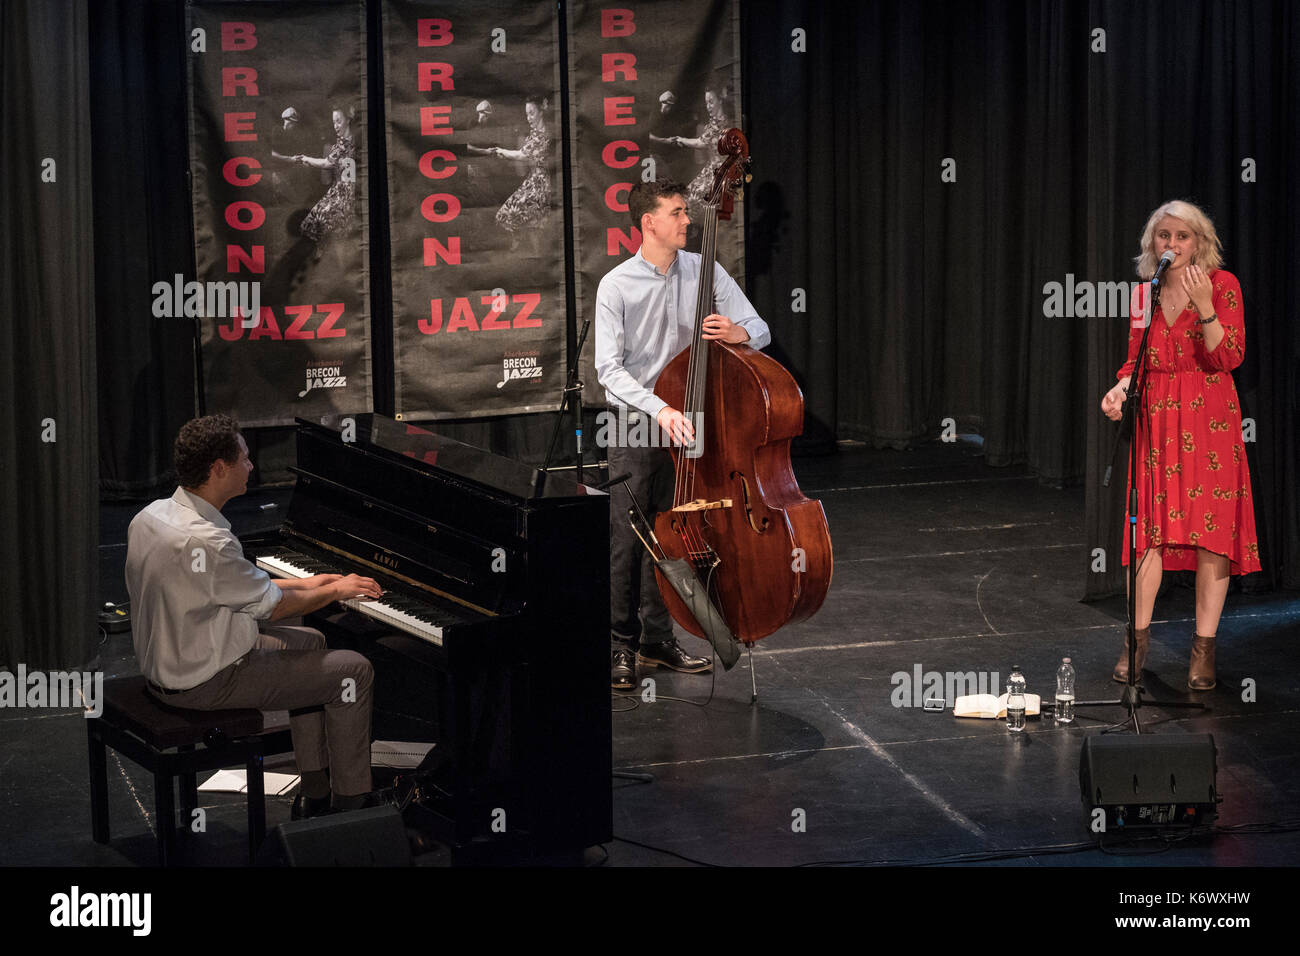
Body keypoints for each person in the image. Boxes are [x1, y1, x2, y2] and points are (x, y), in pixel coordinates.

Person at [125, 415, 386, 817]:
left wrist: (311, 582)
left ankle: (315, 790)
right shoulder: (209, 542)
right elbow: (271, 607)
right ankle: (354, 807)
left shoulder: (152, 517)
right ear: (218, 469)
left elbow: (237, 588)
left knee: (313, 641)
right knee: (354, 671)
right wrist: (336, 590)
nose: (252, 466)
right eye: (244, 459)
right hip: (206, 681)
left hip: (170, 663)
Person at [594, 180, 771, 690]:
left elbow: (758, 327)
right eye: (676, 214)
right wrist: (661, 407)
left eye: (687, 214)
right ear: (648, 223)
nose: (687, 222)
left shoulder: (704, 270)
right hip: (635, 417)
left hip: (691, 418)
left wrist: (742, 334)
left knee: (670, 531)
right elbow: (609, 371)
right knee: (628, 540)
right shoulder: (617, 285)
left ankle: (657, 641)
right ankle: (619, 646)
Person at [1100, 200, 1260, 690]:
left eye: (1182, 236)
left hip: (1209, 420)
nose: (1171, 244)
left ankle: (1203, 649)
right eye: (1163, 235)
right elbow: (1136, 361)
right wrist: (1120, 389)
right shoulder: (1143, 293)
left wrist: (1208, 307)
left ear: (1200, 241)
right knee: (1146, 532)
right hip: (1156, 421)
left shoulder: (1224, 285)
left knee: (1212, 533)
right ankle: (1136, 641)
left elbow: (1229, 356)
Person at [468, 95, 552, 248]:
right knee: (532, 225)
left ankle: (522, 247)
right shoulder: (534, 133)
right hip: (533, 180)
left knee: (509, 214)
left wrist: (502, 151)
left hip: (540, 184)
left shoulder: (542, 135)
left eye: (532, 113)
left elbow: (522, 155)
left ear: (541, 111)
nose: (529, 118)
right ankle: (527, 249)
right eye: (527, 114)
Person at [296, 106, 355, 243]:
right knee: (313, 222)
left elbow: (326, 164)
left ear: (348, 120)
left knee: (319, 220)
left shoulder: (347, 144)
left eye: (338, 121)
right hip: (338, 192)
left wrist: (306, 159)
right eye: (334, 122)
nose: (335, 126)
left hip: (346, 196)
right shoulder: (341, 143)